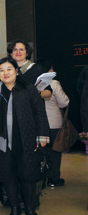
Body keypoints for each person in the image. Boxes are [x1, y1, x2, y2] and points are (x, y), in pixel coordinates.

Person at [0, 57, 50, 215]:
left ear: (16, 71)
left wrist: (42, 135)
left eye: (9, 69)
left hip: (25, 139)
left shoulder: (28, 89)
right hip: (2, 142)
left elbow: (40, 113)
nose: (5, 73)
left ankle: (30, 209)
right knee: (9, 176)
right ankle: (14, 209)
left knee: (27, 175)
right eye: (1, 70)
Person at [37, 59, 68, 187]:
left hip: (38, 124)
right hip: (53, 123)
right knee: (55, 152)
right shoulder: (54, 83)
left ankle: (41, 179)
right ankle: (54, 179)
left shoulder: (34, 84)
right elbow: (64, 102)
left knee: (41, 152)